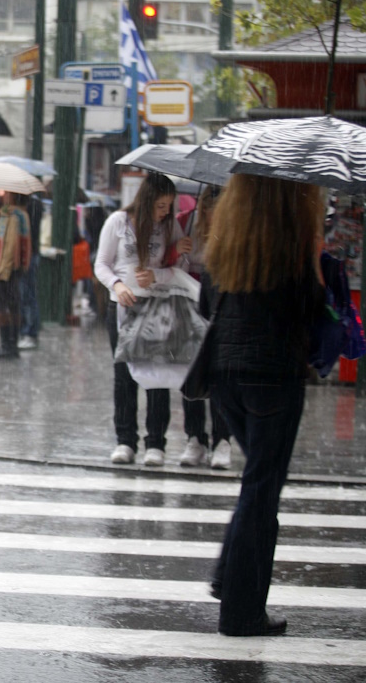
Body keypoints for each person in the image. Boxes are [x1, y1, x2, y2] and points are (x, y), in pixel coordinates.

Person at [202, 174, 324, 637]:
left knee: (255, 484)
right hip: (273, 376)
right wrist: (314, 261)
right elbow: (309, 310)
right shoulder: (289, 243)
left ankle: (228, 577)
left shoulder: (228, 241)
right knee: (262, 491)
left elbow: (205, 302)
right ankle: (241, 611)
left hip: (226, 375)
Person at [93, 172, 191, 466]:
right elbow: (101, 264)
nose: (164, 212)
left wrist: (157, 274)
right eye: (160, 205)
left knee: (156, 373)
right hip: (122, 307)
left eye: (168, 207)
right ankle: (125, 440)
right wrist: (118, 285)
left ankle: (155, 442)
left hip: (156, 305)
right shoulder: (118, 223)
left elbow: (179, 267)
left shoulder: (168, 226)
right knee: (124, 375)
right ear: (147, 199)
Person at [178, 186, 232, 469]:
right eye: (209, 212)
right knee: (192, 372)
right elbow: (171, 263)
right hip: (188, 305)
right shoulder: (185, 223)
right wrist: (180, 253)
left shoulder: (234, 235)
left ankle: (223, 439)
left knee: (220, 376)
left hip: (219, 307)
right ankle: (194, 437)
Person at [0, 190, 31, 359]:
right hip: (15, 268)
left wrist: (2, 269)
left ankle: (7, 344)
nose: (4, 195)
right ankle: (12, 344)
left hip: (8, 269)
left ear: (14, 195)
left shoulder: (13, 216)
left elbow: (10, 245)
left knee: (2, 305)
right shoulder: (19, 214)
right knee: (13, 305)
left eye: (7, 193)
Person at [18, 192, 44, 349]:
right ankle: (29, 330)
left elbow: (28, 232)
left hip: (29, 255)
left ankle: (29, 331)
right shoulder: (33, 205)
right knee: (27, 294)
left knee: (27, 295)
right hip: (30, 254)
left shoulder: (31, 206)